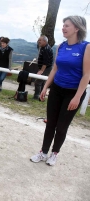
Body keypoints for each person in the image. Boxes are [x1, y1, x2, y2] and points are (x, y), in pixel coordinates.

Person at [30, 16, 90, 166]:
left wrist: (77, 97)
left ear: (77, 28)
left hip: (73, 92)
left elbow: (87, 75)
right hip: (57, 89)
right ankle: (43, 152)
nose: (63, 28)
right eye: (63, 25)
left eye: (67, 26)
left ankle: (54, 153)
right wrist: (45, 87)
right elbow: (55, 69)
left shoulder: (86, 47)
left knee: (62, 126)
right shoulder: (61, 46)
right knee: (50, 123)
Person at [33, 35, 54, 100]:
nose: (38, 41)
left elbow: (45, 62)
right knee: (42, 82)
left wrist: (41, 70)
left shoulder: (46, 49)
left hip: (46, 68)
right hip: (44, 67)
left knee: (38, 82)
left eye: (40, 40)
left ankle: (37, 96)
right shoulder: (43, 47)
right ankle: (41, 96)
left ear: (44, 41)